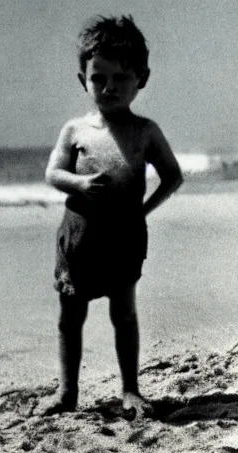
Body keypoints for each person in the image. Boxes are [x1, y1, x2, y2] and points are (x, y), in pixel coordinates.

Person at [44, 15, 183, 417]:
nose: (109, 88)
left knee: (124, 314)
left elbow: (172, 176)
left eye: (121, 78)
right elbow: (53, 173)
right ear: (82, 79)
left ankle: (130, 390)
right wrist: (81, 185)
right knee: (71, 316)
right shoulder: (75, 130)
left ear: (142, 77)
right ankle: (66, 392)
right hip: (79, 238)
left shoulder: (145, 131)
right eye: (98, 77)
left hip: (124, 239)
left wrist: (143, 211)